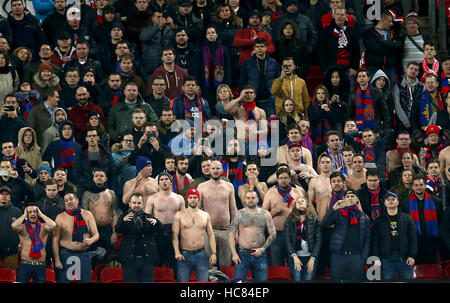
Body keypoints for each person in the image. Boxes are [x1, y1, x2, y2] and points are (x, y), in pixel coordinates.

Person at [322, 189, 371, 281]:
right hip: (338, 256)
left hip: (356, 256)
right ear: (344, 200)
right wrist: (333, 209)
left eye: (352, 196)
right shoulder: (338, 213)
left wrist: (363, 257)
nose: (350, 198)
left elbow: (367, 240)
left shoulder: (365, 218)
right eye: (347, 197)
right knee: (335, 280)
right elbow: (325, 223)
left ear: (357, 200)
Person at [229, 190, 276, 281]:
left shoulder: (265, 214)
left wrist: (262, 249)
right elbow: (231, 234)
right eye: (248, 198)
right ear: (245, 200)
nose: (251, 200)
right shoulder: (239, 214)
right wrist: (234, 253)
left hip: (260, 254)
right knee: (238, 283)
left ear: (257, 199)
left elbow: (273, 234)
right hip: (243, 254)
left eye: (253, 198)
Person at [197, 160, 237, 268]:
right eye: (213, 168)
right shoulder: (201, 187)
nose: (215, 171)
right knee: (209, 265)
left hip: (226, 230)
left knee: (226, 264)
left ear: (222, 170)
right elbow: (197, 210)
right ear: (209, 170)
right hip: (208, 230)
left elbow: (233, 209)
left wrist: (235, 231)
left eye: (218, 168)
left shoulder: (229, 186)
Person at [52, 191, 99, 283]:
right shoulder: (60, 217)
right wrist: (57, 260)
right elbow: (55, 240)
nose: (68, 202)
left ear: (77, 200)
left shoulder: (88, 214)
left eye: (71, 199)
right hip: (66, 254)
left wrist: (91, 240)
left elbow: (96, 234)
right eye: (66, 200)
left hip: (84, 254)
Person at [172, 187, 217, 282]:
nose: (193, 200)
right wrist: (177, 252)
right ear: (187, 199)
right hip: (184, 255)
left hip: (201, 254)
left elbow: (211, 235)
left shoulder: (205, 215)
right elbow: (174, 236)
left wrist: (214, 253)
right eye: (191, 197)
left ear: (198, 199)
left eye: (195, 197)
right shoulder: (179, 215)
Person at [116, 193, 163, 282]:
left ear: (143, 204)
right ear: (129, 204)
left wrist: (156, 223)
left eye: (139, 203)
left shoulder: (149, 217)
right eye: (134, 203)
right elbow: (118, 230)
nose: (136, 205)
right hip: (129, 259)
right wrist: (123, 221)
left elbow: (161, 230)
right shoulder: (124, 217)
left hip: (147, 259)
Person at [371, 191, 417, 280]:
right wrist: (376, 258)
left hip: (404, 259)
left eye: (393, 199)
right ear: (385, 203)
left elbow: (413, 238)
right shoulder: (379, 221)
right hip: (386, 259)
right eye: (388, 199)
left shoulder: (407, 218)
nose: (390, 201)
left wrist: (412, 255)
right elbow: (375, 241)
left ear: (398, 202)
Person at [262, 166, 303, 266]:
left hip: (294, 232)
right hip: (277, 234)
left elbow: (304, 212)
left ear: (290, 178)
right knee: (276, 263)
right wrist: (274, 212)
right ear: (277, 179)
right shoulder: (270, 193)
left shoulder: (297, 192)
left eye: (285, 178)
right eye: (280, 178)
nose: (283, 180)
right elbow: (262, 216)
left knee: (294, 264)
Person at [145, 172, 184, 269]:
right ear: (158, 183)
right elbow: (146, 217)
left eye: (166, 179)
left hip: (175, 233)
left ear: (171, 182)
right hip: (158, 233)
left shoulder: (179, 198)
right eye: (161, 180)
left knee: (174, 262)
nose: (164, 181)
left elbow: (184, 218)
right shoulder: (152, 198)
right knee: (157, 262)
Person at [400, 174, 443, 264]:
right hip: (414, 244)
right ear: (412, 187)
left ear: (425, 186)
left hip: (432, 243)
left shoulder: (436, 202)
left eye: (421, 185)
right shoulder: (405, 203)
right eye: (416, 185)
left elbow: (440, 222)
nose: (419, 187)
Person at [82, 168, 121, 258]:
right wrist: (87, 233)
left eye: (101, 176)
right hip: (93, 229)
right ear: (93, 178)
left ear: (106, 178)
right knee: (92, 256)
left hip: (108, 230)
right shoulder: (87, 194)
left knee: (109, 255)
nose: (99, 177)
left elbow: (115, 213)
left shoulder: (111, 193)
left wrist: (114, 232)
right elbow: (84, 215)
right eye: (96, 176)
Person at [11, 204, 56, 282]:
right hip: (25, 265)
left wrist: (42, 215)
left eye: (35, 212)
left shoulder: (44, 227)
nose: (32, 214)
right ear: (27, 214)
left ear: (37, 213)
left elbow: (53, 225)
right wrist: (24, 215)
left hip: (40, 265)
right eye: (30, 212)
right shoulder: (22, 227)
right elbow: (14, 225)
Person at [239, 37, 279, 117]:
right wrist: (243, 96)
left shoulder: (273, 63)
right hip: (253, 100)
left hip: (270, 100)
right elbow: (242, 81)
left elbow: (278, 80)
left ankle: (273, 130)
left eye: (262, 46)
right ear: (254, 48)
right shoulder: (247, 63)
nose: (259, 49)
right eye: (257, 47)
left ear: (266, 48)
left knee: (274, 127)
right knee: (255, 126)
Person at [284, 196, 321, 281]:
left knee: (308, 280)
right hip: (295, 257)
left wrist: (313, 258)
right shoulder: (289, 220)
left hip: (310, 257)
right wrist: (294, 256)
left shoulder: (314, 219)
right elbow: (287, 240)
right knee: (297, 280)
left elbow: (318, 240)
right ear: (295, 206)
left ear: (307, 204)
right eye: (298, 202)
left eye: (302, 201)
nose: (300, 202)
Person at [363, 10, 401, 86]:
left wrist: (382, 43)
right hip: (374, 67)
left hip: (390, 68)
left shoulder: (392, 33)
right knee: (374, 90)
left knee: (390, 91)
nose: (391, 24)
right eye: (389, 21)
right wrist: (391, 47)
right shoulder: (369, 33)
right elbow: (376, 48)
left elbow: (399, 46)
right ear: (382, 20)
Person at [318, 6, 359, 77]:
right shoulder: (326, 32)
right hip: (330, 69)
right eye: (337, 14)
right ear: (333, 16)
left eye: (342, 15)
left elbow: (356, 51)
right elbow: (321, 51)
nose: (339, 17)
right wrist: (325, 68)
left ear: (346, 16)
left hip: (348, 70)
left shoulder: (352, 32)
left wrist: (354, 68)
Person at [0, 186, 22, 271]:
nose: (4, 196)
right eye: (2, 194)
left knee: (10, 276)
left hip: (12, 251)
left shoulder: (17, 212)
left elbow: (22, 230)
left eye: (7, 194)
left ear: (10, 197)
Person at [308, 153, 333, 220]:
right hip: (320, 217)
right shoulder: (314, 181)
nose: (325, 164)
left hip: (337, 217)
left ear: (332, 164)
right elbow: (309, 202)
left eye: (327, 162)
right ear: (319, 165)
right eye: (323, 162)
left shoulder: (337, 180)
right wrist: (316, 218)